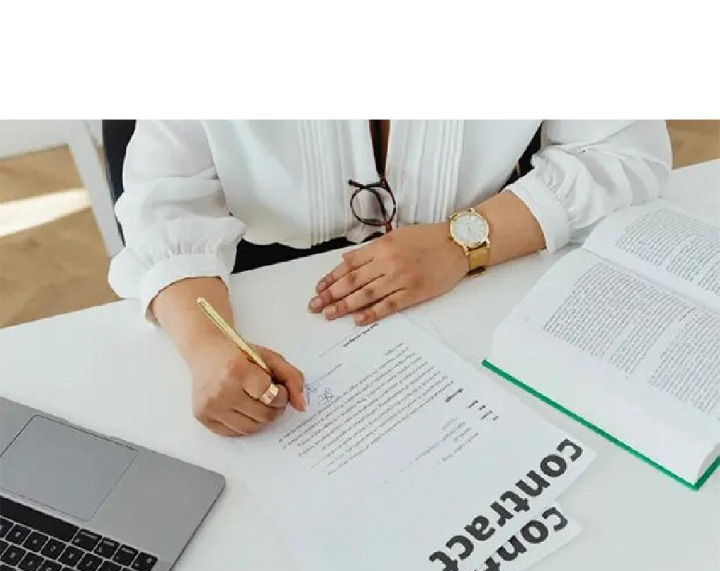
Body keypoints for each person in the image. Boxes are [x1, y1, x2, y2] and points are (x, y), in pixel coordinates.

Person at [108, 120, 672, 437]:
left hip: (483, 274)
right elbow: (164, 203)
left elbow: (623, 155)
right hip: (263, 284)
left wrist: (461, 241)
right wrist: (209, 349)